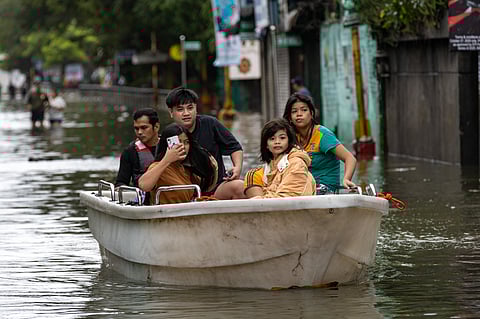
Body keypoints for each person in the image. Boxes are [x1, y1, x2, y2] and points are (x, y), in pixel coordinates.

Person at [165, 87, 245, 199]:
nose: (186, 113)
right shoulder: (168, 134)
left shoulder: (210, 124)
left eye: (190, 108)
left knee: (240, 187)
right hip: (184, 192)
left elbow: (235, 147)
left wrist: (237, 167)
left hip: (216, 188)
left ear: (196, 108)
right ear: (171, 112)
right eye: (180, 109)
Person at [282, 93, 357, 194]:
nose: (299, 114)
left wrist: (346, 179)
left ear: (311, 114)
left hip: (325, 188)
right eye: (294, 111)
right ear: (290, 117)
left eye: (304, 110)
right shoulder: (290, 137)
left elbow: (350, 159)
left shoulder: (323, 135)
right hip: (302, 186)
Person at [138, 123, 218, 204]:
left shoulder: (185, 169)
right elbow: (144, 185)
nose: (183, 146)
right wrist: (167, 160)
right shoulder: (158, 166)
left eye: (186, 142)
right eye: (178, 142)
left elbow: (208, 184)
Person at [243, 118, 316, 199]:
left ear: (289, 141)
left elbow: (288, 197)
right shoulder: (269, 168)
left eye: (282, 138)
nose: (277, 142)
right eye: (272, 139)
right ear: (266, 145)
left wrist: (257, 200)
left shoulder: (296, 163)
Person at [115, 108, 160, 189]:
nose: (139, 132)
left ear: (156, 127)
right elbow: (121, 183)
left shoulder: (169, 147)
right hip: (142, 197)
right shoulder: (129, 152)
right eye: (136, 128)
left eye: (144, 128)